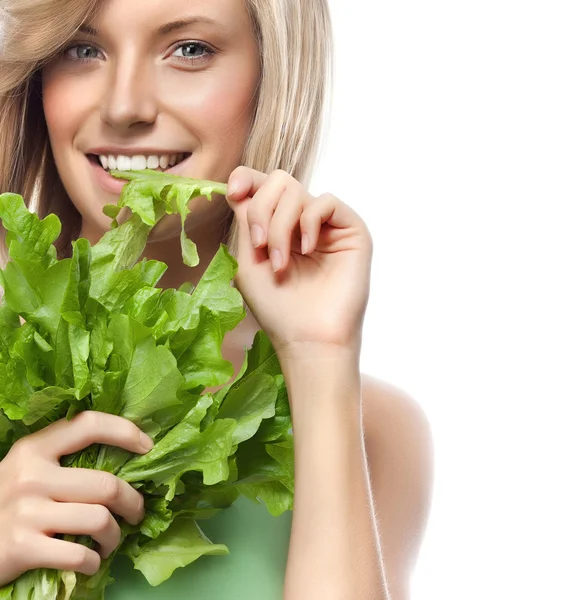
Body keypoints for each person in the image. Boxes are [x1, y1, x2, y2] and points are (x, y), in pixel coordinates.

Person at [0, 0, 434, 597]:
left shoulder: (373, 428)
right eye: (83, 49)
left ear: (273, 76)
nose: (125, 106)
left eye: (189, 50)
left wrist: (318, 354)